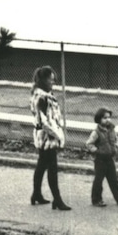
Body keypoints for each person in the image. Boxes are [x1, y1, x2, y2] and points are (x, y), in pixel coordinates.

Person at [29, 65, 71, 210]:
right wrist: (58, 135)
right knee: (52, 168)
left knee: (42, 166)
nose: (52, 83)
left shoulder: (37, 95)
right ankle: (57, 200)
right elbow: (45, 121)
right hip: (48, 137)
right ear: (43, 81)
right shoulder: (43, 98)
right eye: (50, 81)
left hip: (42, 136)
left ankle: (36, 194)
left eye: (53, 80)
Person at [84, 106, 118, 208]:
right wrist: (97, 151)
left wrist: (116, 148)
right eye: (104, 118)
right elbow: (89, 144)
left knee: (114, 180)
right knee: (98, 181)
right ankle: (96, 200)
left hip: (110, 159)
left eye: (109, 117)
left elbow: (116, 139)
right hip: (100, 160)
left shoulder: (112, 129)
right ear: (99, 119)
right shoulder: (96, 132)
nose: (107, 120)